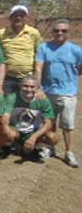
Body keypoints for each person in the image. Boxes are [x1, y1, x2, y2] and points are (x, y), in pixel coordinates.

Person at [36, 19, 82, 167]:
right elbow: (39, 68)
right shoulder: (44, 48)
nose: (60, 33)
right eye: (57, 30)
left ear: (69, 33)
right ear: (52, 32)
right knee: (49, 122)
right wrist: (39, 87)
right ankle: (50, 147)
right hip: (48, 92)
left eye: (63, 31)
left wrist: (71, 78)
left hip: (68, 93)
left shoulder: (75, 50)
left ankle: (69, 153)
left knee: (67, 125)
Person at [0, 75, 57, 163]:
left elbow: (49, 123)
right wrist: (6, 129)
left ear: (37, 88)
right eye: (25, 86)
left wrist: (34, 137)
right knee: (5, 130)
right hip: (16, 130)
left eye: (32, 87)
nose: (28, 89)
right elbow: (5, 116)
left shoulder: (43, 100)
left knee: (52, 137)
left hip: (33, 131)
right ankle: (3, 148)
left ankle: (34, 148)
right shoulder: (13, 97)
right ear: (20, 86)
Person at [0, 5, 42, 94]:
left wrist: (38, 83)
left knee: (25, 105)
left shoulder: (34, 33)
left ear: (26, 18)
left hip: (27, 79)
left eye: (21, 15)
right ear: (10, 18)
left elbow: (39, 57)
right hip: (8, 79)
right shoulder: (1, 34)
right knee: (8, 105)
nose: (18, 18)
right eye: (15, 15)